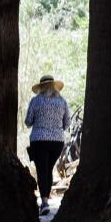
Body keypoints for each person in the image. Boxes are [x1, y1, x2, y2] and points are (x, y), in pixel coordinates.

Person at [23, 75, 70, 213]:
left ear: (41, 87)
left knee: (42, 170)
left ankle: (44, 203)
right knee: (48, 169)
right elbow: (67, 123)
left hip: (39, 141)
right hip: (57, 142)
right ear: (54, 86)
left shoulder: (35, 101)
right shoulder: (62, 102)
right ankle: (46, 201)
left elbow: (28, 122)